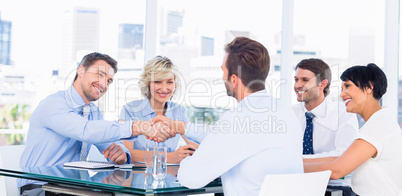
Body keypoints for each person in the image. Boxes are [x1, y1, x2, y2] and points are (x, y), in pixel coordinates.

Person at [153, 37, 304, 195]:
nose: (222, 77)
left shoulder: (238, 119)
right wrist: (183, 128)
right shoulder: (284, 111)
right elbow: (229, 136)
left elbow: (190, 178)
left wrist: (192, 155)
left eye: (223, 71)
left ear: (233, 79)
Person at [18, 52, 173, 195]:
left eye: (109, 81)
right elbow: (86, 130)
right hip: (40, 188)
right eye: (100, 74)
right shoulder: (53, 104)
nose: (104, 84)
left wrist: (121, 155)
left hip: (73, 188)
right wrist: (139, 127)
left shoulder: (94, 112)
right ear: (81, 71)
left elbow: (109, 140)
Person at [304, 63, 402, 196]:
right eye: (341, 88)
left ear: (369, 87)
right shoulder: (378, 123)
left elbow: (337, 170)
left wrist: (290, 167)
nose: (342, 94)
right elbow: (340, 158)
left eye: (347, 86)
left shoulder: (378, 126)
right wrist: (295, 161)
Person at [292, 58, 359, 195]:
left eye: (305, 80)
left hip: (333, 187)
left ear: (322, 84)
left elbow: (343, 156)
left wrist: (295, 161)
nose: (298, 85)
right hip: (295, 185)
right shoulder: (289, 114)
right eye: (296, 79)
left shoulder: (343, 113)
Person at [119, 56, 197, 164]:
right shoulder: (130, 110)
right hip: (139, 175)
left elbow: (195, 145)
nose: (164, 88)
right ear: (148, 83)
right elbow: (126, 153)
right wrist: (169, 157)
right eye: (158, 82)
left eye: (169, 82)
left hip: (168, 176)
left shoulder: (179, 111)